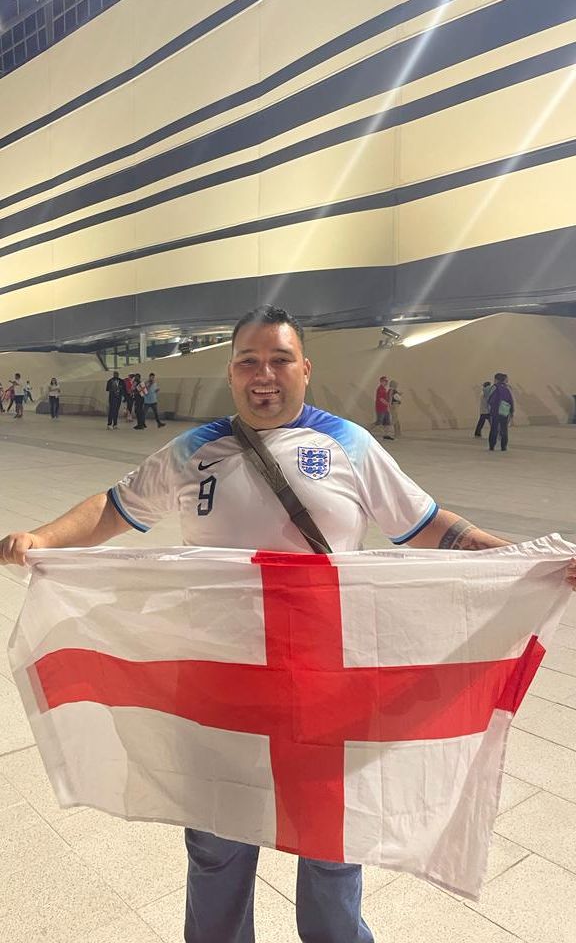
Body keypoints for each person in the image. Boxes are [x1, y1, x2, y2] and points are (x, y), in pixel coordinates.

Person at [1, 304, 575, 943]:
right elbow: (115, 509)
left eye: (279, 360)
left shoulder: (348, 443)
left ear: (305, 369)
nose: (263, 374)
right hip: (222, 678)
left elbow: (429, 523)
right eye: (249, 361)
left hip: (325, 683)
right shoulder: (196, 448)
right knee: (217, 839)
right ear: (233, 371)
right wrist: (43, 538)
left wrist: (527, 562)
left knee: (332, 846)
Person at [488, 373, 514, 452]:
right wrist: (511, 411)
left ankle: (492, 445)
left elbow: (490, 399)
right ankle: (504, 446)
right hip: (505, 411)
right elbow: (511, 400)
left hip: (496, 411)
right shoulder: (507, 388)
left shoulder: (495, 387)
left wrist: (491, 407)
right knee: (504, 429)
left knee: (494, 428)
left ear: (497, 380)